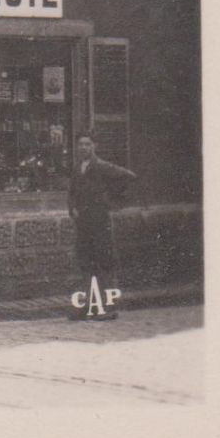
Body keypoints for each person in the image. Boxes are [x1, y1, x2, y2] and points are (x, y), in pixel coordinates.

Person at [68, 135, 137, 322]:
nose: (83, 147)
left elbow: (129, 177)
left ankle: (108, 308)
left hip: (100, 223)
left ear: (94, 146)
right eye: (80, 144)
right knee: (86, 263)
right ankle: (90, 307)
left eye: (87, 144)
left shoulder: (102, 166)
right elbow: (73, 192)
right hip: (83, 224)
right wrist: (72, 208)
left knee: (104, 263)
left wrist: (110, 200)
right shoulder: (77, 168)